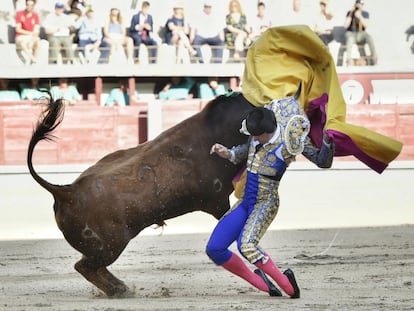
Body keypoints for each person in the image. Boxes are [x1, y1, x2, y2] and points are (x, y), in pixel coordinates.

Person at [207, 104, 334, 298]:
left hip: (266, 202)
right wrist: (230, 154)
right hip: (246, 202)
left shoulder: (290, 140)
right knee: (215, 248)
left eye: (258, 136)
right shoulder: (258, 131)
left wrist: (326, 143)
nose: (254, 139)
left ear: (268, 131)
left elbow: (322, 161)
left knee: (247, 246)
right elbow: (248, 149)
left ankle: (290, 288)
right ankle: (264, 285)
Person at [343, 0, 377, 66]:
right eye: (358, 4)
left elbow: (366, 25)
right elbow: (345, 25)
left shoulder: (365, 13)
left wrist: (360, 16)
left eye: (361, 4)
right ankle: (348, 60)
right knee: (349, 39)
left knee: (369, 37)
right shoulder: (350, 13)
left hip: (361, 33)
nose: (359, 6)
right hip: (351, 33)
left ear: (362, 5)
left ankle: (374, 57)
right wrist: (351, 13)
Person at [15, 0, 40, 65]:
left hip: (31, 36)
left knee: (37, 41)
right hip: (21, 36)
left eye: (31, 5)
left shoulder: (35, 16)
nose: (29, 7)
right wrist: (31, 34)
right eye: (28, 4)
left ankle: (34, 62)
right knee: (23, 43)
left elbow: (36, 31)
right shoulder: (19, 14)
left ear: (34, 6)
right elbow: (18, 29)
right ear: (25, 5)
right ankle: (33, 59)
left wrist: (33, 39)